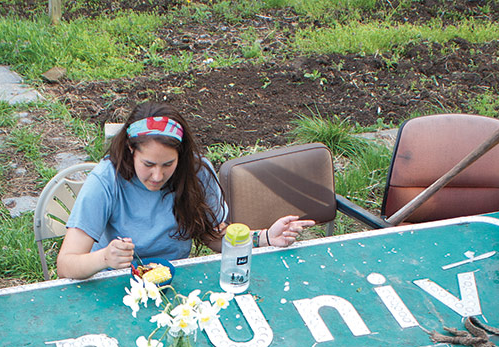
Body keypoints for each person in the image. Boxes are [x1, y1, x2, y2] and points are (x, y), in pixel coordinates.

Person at [55, 102, 315, 280]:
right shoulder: (105, 181)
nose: (158, 176)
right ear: (131, 150)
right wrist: (104, 258)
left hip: (175, 281)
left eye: (168, 164)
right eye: (148, 165)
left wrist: (265, 237)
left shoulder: (196, 173)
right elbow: (65, 265)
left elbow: (212, 236)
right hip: (113, 282)